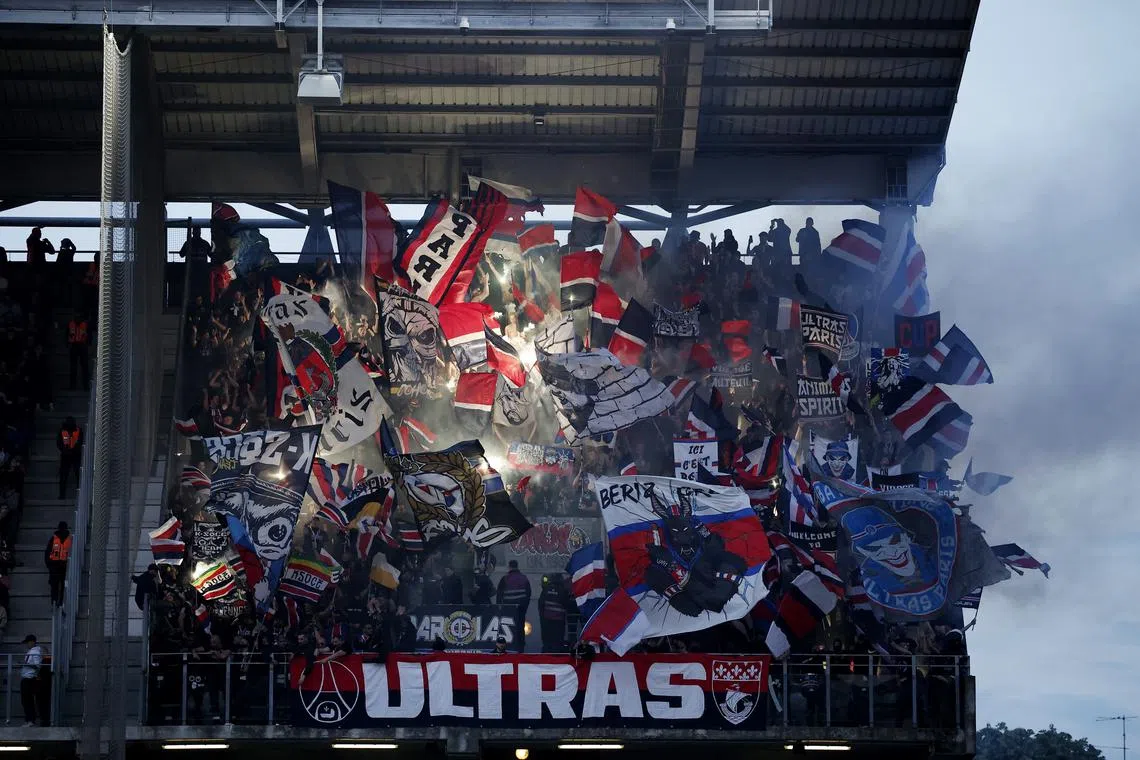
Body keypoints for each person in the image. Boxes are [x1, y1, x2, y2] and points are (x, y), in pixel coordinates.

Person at [496, 560, 531, 652]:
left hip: (508, 609)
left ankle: (509, 648)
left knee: (509, 628)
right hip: (521, 608)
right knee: (520, 628)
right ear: (517, 566)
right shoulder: (524, 578)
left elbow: (499, 595)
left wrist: (499, 608)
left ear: (509, 567)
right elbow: (528, 594)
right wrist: (524, 607)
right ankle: (520, 649)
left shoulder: (505, 579)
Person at [45, 521, 71, 606]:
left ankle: (55, 603)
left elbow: (47, 553)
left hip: (55, 566)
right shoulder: (70, 539)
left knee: (55, 587)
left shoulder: (54, 538)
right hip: (64, 567)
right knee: (62, 587)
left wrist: (49, 565)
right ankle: (60, 604)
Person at [57, 417, 82, 500]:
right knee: (63, 476)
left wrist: (75, 449)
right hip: (66, 456)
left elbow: (81, 442)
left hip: (76, 455)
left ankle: (80, 494)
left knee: (78, 474)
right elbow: (59, 443)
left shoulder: (78, 430)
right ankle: (62, 495)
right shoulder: (62, 431)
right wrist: (65, 450)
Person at [20, 634, 43, 726]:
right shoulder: (31, 651)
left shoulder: (35, 652)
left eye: (28, 642)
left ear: (32, 642)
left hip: (30, 678)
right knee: (25, 700)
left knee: (27, 700)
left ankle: (30, 720)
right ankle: (29, 720)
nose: (27, 644)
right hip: (27, 678)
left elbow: (37, 665)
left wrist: (26, 664)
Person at [67, 311, 90, 390]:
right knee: (73, 367)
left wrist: (88, 344)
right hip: (73, 346)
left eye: (79, 316)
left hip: (83, 346)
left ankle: (86, 386)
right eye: (76, 316)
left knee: (85, 367)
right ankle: (72, 386)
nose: (77, 318)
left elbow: (89, 335)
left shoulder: (85, 324)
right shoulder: (70, 324)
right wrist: (67, 344)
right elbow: (66, 334)